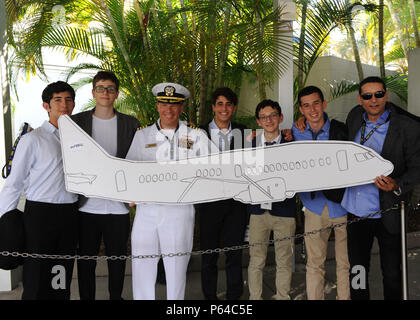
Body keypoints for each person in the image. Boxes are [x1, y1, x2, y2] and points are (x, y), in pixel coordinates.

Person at [126, 82, 217, 300]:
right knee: (142, 265)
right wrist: (129, 195)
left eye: (175, 105)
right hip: (147, 211)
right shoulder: (142, 135)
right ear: (157, 105)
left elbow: (215, 168)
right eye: (164, 104)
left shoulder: (196, 136)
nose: (169, 110)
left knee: (176, 268)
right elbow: (129, 169)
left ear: (182, 107)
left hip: (179, 211)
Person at [342, 76, 420, 300]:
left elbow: (417, 167)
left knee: (393, 274)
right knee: (357, 271)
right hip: (356, 212)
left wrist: (398, 184)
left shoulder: (407, 128)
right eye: (367, 95)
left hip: (389, 211)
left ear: (386, 95)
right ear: (360, 99)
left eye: (378, 94)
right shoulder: (354, 117)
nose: (373, 100)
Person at [0, 81, 78, 300]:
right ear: (47, 106)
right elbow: (14, 183)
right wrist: (5, 222)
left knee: (61, 272)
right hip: (40, 215)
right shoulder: (32, 140)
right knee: (36, 275)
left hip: (69, 214)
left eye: (69, 100)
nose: (64, 105)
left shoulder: (78, 139)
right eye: (58, 100)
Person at [71, 71, 140, 300]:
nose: (105, 93)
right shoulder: (76, 122)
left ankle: (115, 297)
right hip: (86, 206)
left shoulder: (131, 124)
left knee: (118, 260)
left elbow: (137, 162)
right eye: (101, 88)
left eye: (110, 88)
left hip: (118, 206)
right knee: (86, 261)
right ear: (93, 92)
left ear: (117, 94)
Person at [292, 86, 350, 300]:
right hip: (314, 207)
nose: (312, 109)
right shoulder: (296, 131)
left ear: (324, 104)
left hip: (343, 205)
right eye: (306, 105)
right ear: (301, 109)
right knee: (315, 264)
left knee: (345, 263)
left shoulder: (340, 130)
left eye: (316, 103)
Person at [196, 87, 248, 300]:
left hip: (236, 203)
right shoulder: (197, 133)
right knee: (209, 256)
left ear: (233, 108)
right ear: (213, 107)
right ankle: (210, 297)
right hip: (208, 203)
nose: (224, 108)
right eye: (220, 104)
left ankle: (234, 297)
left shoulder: (243, 131)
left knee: (234, 254)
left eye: (228, 104)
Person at [247, 99, 296, 300]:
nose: (269, 120)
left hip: (284, 212)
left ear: (280, 118)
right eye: (264, 117)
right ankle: (254, 298)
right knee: (256, 260)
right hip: (257, 212)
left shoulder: (292, 145)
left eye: (273, 115)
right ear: (258, 121)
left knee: (284, 260)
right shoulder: (248, 145)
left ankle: (282, 296)